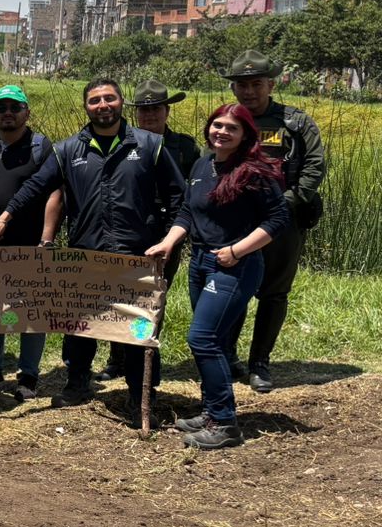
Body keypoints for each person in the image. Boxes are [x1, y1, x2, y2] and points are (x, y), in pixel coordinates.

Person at [0, 79, 186, 422]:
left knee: (138, 331)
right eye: (95, 100)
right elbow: (37, 184)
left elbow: (179, 198)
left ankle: (140, 396)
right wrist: (7, 216)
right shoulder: (67, 151)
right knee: (79, 325)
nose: (103, 105)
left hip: (138, 257)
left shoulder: (150, 144)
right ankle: (77, 383)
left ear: (121, 102)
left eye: (109, 98)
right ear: (86, 107)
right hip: (87, 255)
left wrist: (169, 240)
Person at [146, 104, 288, 450]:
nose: (221, 132)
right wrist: (166, 243)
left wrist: (237, 250)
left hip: (236, 266)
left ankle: (224, 423)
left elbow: (278, 219)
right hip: (202, 263)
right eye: (217, 125)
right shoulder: (202, 165)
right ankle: (211, 410)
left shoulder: (254, 172)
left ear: (245, 135)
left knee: (202, 338)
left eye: (231, 128)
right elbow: (187, 211)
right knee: (217, 342)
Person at [223, 51, 326, 392]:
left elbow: (313, 168)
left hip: (283, 223)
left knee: (274, 293)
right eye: (241, 85)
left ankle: (260, 364)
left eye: (256, 84)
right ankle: (227, 357)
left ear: (272, 84)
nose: (249, 91)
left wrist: (283, 207)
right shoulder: (227, 121)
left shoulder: (295, 123)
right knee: (233, 291)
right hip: (238, 224)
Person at [0, 86, 61, 400]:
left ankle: (28, 376)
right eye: (1, 108)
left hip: (28, 247)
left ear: (26, 112)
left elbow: (55, 194)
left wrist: (47, 239)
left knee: (30, 312)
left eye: (14, 108)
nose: (8, 113)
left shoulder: (41, 147)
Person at [98, 80, 199, 384]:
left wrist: (176, 234)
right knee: (118, 296)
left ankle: (144, 355)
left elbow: (191, 192)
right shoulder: (124, 141)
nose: (150, 115)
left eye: (155, 108)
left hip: (166, 232)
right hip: (129, 230)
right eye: (143, 110)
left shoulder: (185, 146)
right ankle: (117, 358)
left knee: (153, 298)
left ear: (167, 110)